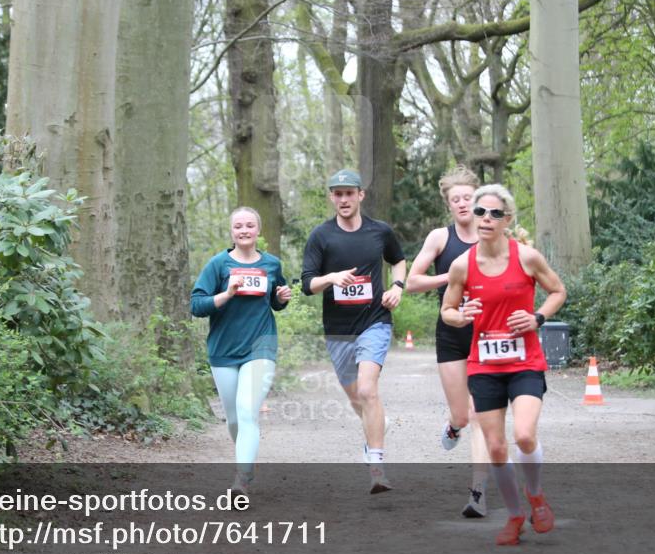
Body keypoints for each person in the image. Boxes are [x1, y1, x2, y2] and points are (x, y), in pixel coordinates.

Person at [440, 184, 566, 545]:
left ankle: (536, 495)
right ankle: (514, 516)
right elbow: (447, 310)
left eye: (495, 213)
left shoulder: (526, 257)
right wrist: (461, 315)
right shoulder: (461, 264)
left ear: (507, 219)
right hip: (484, 365)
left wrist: (538, 318)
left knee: (524, 436)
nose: (485, 219)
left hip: (524, 360)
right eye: (480, 212)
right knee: (496, 446)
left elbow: (558, 291)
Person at [301, 169, 407, 494]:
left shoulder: (380, 231)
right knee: (356, 398)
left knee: (367, 390)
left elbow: (398, 260)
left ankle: (376, 466)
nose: (344, 199)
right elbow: (307, 284)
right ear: (332, 197)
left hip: (375, 320)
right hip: (338, 330)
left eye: (350, 193)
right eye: (338, 193)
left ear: (361, 195)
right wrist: (331, 278)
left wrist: (398, 287)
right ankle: (373, 425)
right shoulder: (321, 236)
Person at [405, 166, 491, 517]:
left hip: (488, 333)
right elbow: (411, 281)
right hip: (452, 332)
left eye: (467, 198)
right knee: (463, 415)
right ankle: (453, 426)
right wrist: (452, 275)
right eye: (455, 199)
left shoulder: (493, 234)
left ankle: (479, 493)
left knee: (481, 413)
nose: (461, 204)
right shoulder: (440, 238)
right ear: (449, 205)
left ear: (478, 199)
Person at [191, 207, 292, 495]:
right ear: (232, 232)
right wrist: (227, 294)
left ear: (258, 230)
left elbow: (276, 301)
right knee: (235, 418)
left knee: (247, 412)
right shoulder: (218, 265)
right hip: (224, 349)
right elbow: (197, 305)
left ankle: (241, 480)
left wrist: (281, 298)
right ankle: (245, 463)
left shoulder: (272, 264)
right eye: (239, 226)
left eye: (250, 225)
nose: (244, 230)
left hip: (261, 345)